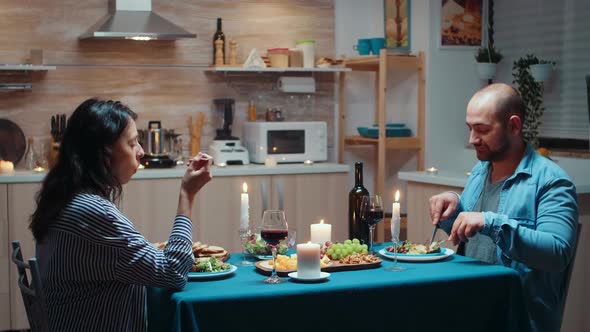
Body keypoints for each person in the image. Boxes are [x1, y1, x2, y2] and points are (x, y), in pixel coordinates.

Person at [30, 98, 212, 331]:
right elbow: (174, 272)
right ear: (104, 153)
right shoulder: (92, 212)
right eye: (133, 142)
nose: (142, 152)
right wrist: (187, 194)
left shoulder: (67, 198)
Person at [429, 83, 578, 332]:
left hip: (516, 320)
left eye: (482, 130)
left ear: (514, 126)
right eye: (470, 129)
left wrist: (491, 222)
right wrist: (451, 206)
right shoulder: (480, 170)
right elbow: (469, 235)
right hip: (471, 311)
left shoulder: (552, 181)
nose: (472, 139)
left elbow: (557, 252)